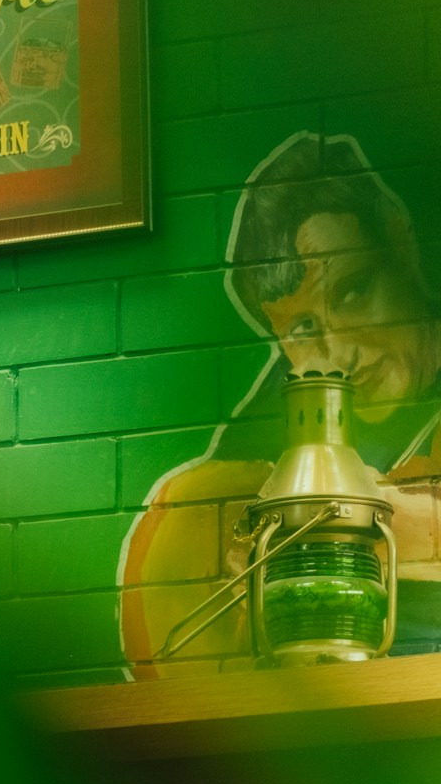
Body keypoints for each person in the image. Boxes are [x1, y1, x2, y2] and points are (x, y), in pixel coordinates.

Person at [120, 132, 441, 676]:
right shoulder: (291, 405)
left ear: (398, 237)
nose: (339, 351)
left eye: (354, 290)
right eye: (304, 327)